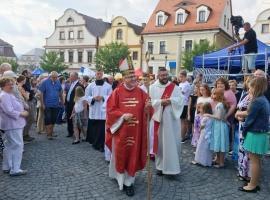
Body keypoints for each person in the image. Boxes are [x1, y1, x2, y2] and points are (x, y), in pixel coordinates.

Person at [106, 60, 150, 196]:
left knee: (133, 154)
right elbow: (110, 110)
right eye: (130, 77)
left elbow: (149, 111)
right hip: (121, 131)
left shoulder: (142, 93)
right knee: (121, 154)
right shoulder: (117, 92)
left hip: (137, 131)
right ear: (124, 78)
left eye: (134, 77)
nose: (134, 79)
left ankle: (129, 182)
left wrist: (149, 107)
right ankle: (120, 178)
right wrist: (122, 115)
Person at [150, 67, 184, 176]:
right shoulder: (152, 87)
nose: (164, 77)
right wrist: (160, 102)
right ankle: (159, 167)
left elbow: (180, 100)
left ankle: (171, 168)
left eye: (166, 75)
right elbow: (149, 102)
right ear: (158, 76)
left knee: (171, 143)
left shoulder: (174, 87)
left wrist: (170, 101)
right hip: (158, 120)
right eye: (162, 75)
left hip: (171, 121)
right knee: (160, 144)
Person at [238, 77, 270, 193]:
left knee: (254, 161)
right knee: (257, 161)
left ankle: (252, 185)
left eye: (251, 87)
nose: (249, 89)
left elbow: (250, 120)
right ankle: (254, 183)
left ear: (255, 87)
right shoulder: (263, 99)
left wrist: (244, 131)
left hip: (255, 134)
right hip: (260, 134)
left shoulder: (257, 101)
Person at [0, 77, 29, 176]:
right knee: (17, 145)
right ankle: (15, 169)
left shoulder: (7, 94)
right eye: (9, 84)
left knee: (9, 146)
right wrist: (22, 113)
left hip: (12, 124)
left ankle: (7, 166)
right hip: (12, 124)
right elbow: (9, 110)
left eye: (12, 83)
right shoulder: (4, 95)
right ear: (3, 86)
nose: (12, 86)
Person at [85, 69, 112, 152]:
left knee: (102, 129)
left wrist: (103, 97)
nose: (99, 75)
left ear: (102, 74)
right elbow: (86, 96)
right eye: (97, 73)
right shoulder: (90, 85)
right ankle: (95, 143)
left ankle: (101, 145)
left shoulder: (108, 86)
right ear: (95, 75)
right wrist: (93, 98)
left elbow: (111, 97)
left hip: (103, 111)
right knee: (95, 128)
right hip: (94, 109)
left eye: (100, 74)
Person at [235, 76, 253, 182]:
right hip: (241, 124)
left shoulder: (255, 97)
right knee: (241, 149)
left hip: (248, 125)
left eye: (251, 83)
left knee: (248, 151)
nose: (249, 85)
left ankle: (249, 174)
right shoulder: (245, 95)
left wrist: (240, 115)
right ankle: (242, 172)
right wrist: (238, 115)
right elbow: (239, 107)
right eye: (248, 82)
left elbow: (251, 112)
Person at [207, 89, 229, 168]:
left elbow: (219, 117)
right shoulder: (219, 104)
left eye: (213, 94)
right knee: (218, 143)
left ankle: (221, 162)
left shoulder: (220, 105)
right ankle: (217, 159)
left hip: (219, 126)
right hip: (217, 125)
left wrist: (209, 115)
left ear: (218, 95)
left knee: (221, 143)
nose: (212, 95)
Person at [39, 71, 64, 140]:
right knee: (48, 119)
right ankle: (48, 134)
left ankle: (51, 132)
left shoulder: (58, 82)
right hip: (47, 104)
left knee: (53, 119)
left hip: (55, 104)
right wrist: (42, 104)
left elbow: (60, 92)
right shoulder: (45, 82)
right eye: (53, 77)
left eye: (56, 77)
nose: (55, 78)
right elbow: (41, 94)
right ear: (50, 76)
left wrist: (62, 101)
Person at [192, 102, 213, 167]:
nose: (200, 110)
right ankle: (206, 161)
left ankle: (199, 160)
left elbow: (202, 126)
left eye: (201, 109)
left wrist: (199, 130)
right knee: (207, 148)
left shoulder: (205, 118)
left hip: (204, 133)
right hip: (209, 134)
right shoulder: (211, 117)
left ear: (204, 110)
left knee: (201, 146)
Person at [65, 72, 82, 138]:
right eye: (70, 76)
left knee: (76, 120)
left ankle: (77, 134)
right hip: (68, 104)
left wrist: (76, 106)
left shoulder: (79, 85)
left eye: (71, 76)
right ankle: (70, 132)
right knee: (69, 118)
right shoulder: (71, 84)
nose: (70, 77)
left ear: (75, 77)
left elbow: (80, 97)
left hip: (75, 105)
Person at [21, 70, 36, 142]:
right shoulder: (24, 82)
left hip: (30, 101)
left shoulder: (28, 81)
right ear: (25, 74)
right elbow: (26, 91)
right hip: (27, 101)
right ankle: (24, 134)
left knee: (31, 118)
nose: (31, 74)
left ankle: (26, 134)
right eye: (29, 73)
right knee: (29, 118)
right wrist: (32, 91)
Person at [178, 70, 192, 143]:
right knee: (181, 121)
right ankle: (181, 135)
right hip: (180, 104)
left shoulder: (186, 84)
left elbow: (181, 92)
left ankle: (182, 137)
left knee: (183, 121)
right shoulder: (180, 84)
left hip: (185, 104)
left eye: (181, 77)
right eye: (180, 77)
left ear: (185, 76)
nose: (180, 78)